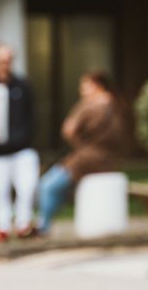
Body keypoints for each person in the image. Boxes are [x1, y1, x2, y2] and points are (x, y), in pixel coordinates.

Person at [36, 71, 127, 234]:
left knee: (47, 185)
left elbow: (68, 129)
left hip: (86, 159)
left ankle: (43, 227)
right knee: (60, 188)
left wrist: (77, 141)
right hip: (109, 160)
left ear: (97, 86)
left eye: (85, 85)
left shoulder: (90, 105)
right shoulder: (116, 104)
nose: (82, 90)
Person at [0, 44, 40, 239]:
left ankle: (23, 224)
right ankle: (3, 227)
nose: (3, 65)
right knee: (0, 192)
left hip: (23, 148)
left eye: (7, 61)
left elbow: (31, 116)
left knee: (27, 188)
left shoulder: (22, 85)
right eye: (0, 61)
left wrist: (25, 136)